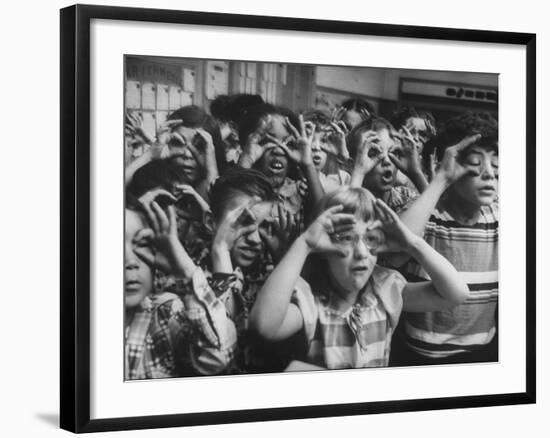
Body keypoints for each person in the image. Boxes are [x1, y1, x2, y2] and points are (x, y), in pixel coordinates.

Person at [250, 187, 469, 369]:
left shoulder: (385, 290)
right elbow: (264, 326)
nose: (362, 252)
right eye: (346, 238)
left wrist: (411, 243)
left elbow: (456, 294)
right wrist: (305, 243)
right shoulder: (311, 299)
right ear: (323, 248)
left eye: (371, 239)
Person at [391, 112, 499, 365]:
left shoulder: (499, 217)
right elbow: (396, 250)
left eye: (496, 166)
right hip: (417, 357)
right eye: (475, 164)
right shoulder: (428, 215)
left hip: (482, 356)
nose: (489, 174)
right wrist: (440, 180)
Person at [124, 197, 237, 379]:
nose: (130, 262)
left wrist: (183, 270)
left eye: (142, 243)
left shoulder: (164, 314)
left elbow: (218, 355)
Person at [348, 117, 424, 211]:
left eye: (394, 153)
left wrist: (416, 173)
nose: (387, 161)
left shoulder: (406, 196)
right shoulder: (342, 196)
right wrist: (358, 174)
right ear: (352, 165)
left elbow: (438, 215)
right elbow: (348, 217)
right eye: (374, 153)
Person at [301, 109, 351, 193]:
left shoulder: (338, 182)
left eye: (323, 140)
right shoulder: (291, 183)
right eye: (309, 138)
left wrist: (344, 156)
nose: (317, 147)